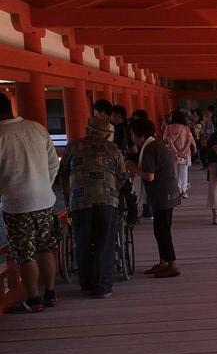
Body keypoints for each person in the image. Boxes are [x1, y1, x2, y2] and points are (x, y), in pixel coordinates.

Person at [0, 92, 60, 313]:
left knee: (25, 255)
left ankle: (34, 300)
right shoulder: (37, 128)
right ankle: (50, 293)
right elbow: (53, 164)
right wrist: (43, 185)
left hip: (17, 205)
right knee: (46, 247)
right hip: (44, 201)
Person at [58, 116, 127, 299]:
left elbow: (63, 175)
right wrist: (112, 190)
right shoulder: (112, 148)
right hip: (107, 201)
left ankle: (86, 283)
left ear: (88, 130)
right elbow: (122, 176)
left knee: (82, 242)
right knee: (105, 243)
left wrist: (68, 195)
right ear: (106, 134)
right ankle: (103, 286)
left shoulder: (73, 147)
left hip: (80, 201)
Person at [128, 118, 182, 277]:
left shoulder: (150, 148)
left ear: (140, 135)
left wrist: (133, 167)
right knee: (161, 229)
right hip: (167, 192)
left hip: (162, 194)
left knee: (162, 231)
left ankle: (172, 264)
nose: (132, 138)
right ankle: (163, 262)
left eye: (132, 134)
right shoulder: (156, 143)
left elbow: (149, 176)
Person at [163, 109, 196, 198]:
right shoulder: (185, 127)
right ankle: (184, 191)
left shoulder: (168, 127)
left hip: (173, 154)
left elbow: (166, 139)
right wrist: (184, 150)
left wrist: (175, 151)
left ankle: (177, 190)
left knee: (175, 172)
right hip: (184, 153)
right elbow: (189, 139)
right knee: (184, 172)